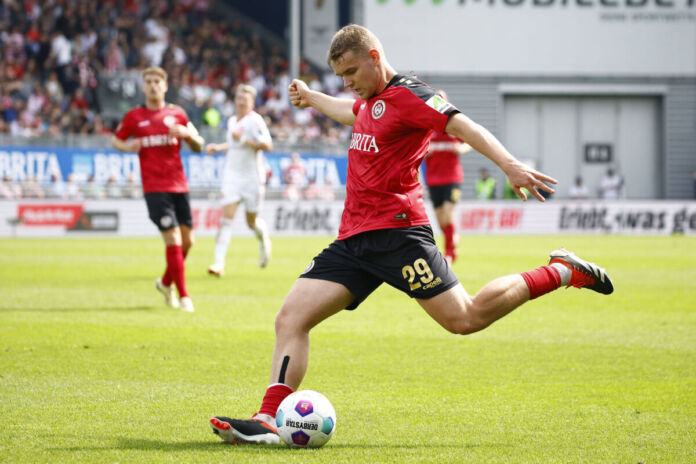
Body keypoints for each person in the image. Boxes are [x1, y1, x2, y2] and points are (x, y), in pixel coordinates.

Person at [209, 25, 614, 445]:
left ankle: (561, 271)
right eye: (341, 77)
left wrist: (509, 164)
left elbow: (463, 126)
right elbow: (352, 112)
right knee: (291, 318)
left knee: (465, 318)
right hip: (354, 240)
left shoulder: (411, 95)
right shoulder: (369, 100)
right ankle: (269, 418)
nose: (347, 83)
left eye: (351, 72)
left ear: (373, 55)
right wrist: (312, 98)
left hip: (400, 236)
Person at [112, 66, 204, 313]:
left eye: (157, 81)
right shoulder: (134, 117)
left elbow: (199, 145)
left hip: (179, 184)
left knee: (188, 242)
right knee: (173, 237)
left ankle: (165, 283)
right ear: (143, 87)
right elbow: (116, 140)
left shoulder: (178, 114)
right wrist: (128, 146)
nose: (153, 85)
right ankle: (184, 296)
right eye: (149, 82)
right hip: (154, 187)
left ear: (164, 86)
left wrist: (188, 134)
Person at [205, 84, 273, 275]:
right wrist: (218, 148)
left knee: (251, 222)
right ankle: (218, 264)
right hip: (232, 176)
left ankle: (263, 239)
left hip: (252, 177)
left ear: (252, 102)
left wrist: (244, 140)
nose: (241, 101)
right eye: (238, 98)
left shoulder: (256, 121)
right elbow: (234, 144)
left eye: (245, 99)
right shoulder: (232, 120)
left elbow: (268, 145)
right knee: (226, 220)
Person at [424, 89, 471, 264]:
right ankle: (453, 239)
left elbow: (468, 142)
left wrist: (461, 148)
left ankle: (450, 253)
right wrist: (425, 152)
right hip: (434, 179)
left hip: (453, 178)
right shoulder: (427, 126)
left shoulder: (455, 123)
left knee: (448, 214)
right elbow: (418, 149)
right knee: (440, 219)